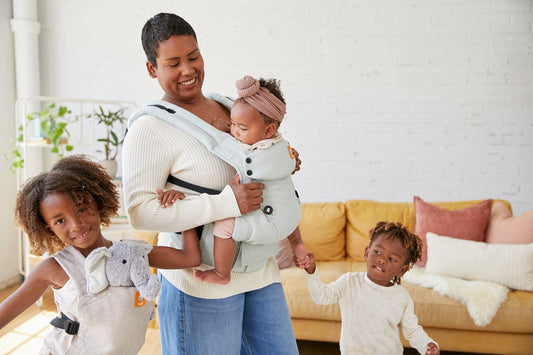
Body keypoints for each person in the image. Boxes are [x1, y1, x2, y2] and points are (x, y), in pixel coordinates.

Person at [122, 12, 300, 354]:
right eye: (173, 63)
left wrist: (287, 157)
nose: (188, 70)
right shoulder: (151, 128)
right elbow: (139, 213)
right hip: (201, 283)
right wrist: (226, 204)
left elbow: (265, 150)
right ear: (151, 69)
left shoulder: (230, 105)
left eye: (193, 57)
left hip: (259, 270)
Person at [0, 155, 201, 354]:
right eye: (60, 221)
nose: (76, 224)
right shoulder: (54, 268)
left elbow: (190, 258)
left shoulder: (133, 254)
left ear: (97, 203)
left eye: (81, 209)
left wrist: (182, 211)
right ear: (50, 229)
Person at [156, 74, 310, 284]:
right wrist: (230, 128)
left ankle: (221, 273)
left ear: (269, 130)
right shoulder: (282, 146)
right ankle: (298, 243)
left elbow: (232, 153)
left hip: (273, 224)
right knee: (281, 200)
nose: (235, 132)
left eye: (242, 128)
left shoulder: (257, 158)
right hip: (291, 216)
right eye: (233, 124)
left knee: (224, 225)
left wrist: (219, 133)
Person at [303, 221, 440, 355]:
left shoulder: (401, 297)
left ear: (402, 270)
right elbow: (322, 297)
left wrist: (427, 345)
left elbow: (412, 331)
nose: (382, 259)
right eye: (378, 252)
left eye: (392, 259)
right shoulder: (349, 282)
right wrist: (311, 271)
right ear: (367, 252)